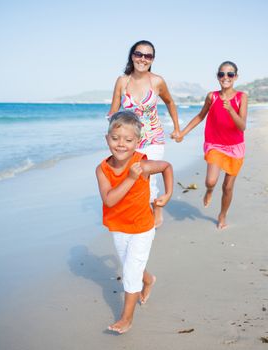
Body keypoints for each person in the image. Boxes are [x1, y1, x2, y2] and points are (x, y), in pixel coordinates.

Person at [96, 111, 173, 334]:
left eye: (128, 140)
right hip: (118, 227)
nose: (121, 145)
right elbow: (109, 200)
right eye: (115, 138)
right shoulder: (102, 169)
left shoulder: (143, 164)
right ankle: (148, 280)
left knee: (130, 272)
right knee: (133, 267)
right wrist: (130, 178)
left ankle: (126, 318)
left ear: (137, 142)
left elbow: (166, 166)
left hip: (142, 227)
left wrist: (167, 194)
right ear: (107, 138)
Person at [108, 40, 180, 228]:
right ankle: (139, 208)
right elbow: (113, 113)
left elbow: (170, 103)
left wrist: (177, 128)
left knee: (147, 175)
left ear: (152, 59)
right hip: (131, 140)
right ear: (132, 56)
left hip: (153, 138)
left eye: (148, 56)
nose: (143, 59)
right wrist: (113, 139)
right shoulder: (122, 81)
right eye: (139, 54)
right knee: (133, 177)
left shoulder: (157, 81)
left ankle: (156, 208)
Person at [176, 61, 248, 229]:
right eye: (222, 74)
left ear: (235, 77)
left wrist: (230, 109)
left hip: (235, 146)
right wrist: (183, 133)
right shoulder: (212, 96)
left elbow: (242, 126)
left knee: (228, 187)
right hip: (215, 144)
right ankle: (209, 191)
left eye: (230, 74)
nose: (226, 77)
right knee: (210, 181)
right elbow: (200, 116)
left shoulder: (241, 97)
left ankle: (222, 215)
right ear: (217, 77)